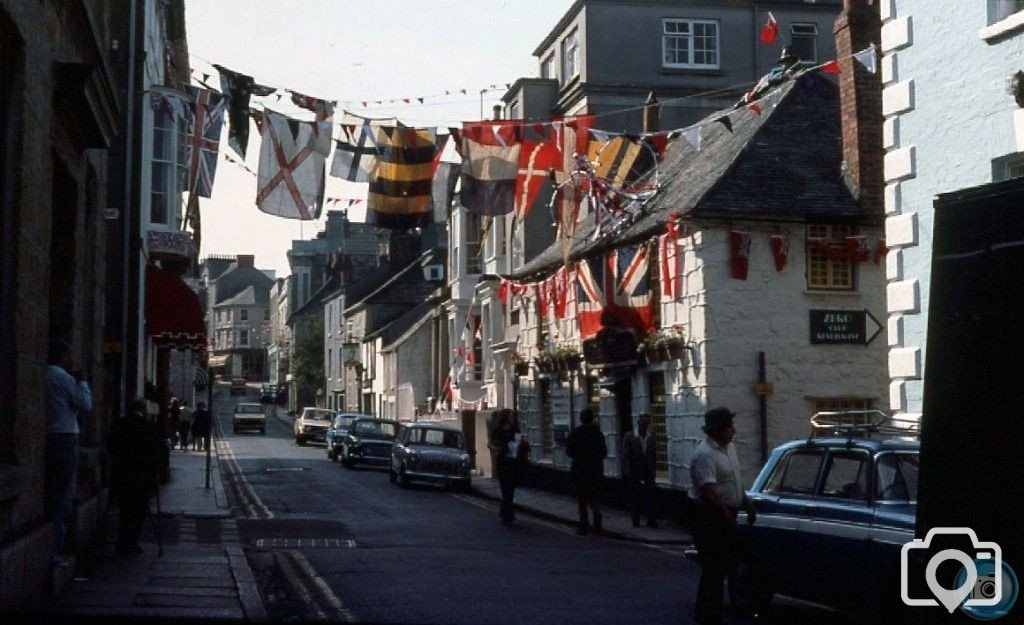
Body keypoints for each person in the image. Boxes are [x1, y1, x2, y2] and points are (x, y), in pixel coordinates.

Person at [687, 406, 757, 625]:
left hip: (726, 512)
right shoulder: (705, 454)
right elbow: (710, 493)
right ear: (717, 430)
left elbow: (733, 481)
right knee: (714, 566)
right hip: (708, 516)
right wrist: (727, 518)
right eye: (729, 427)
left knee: (724, 565)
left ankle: (708, 611)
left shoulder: (729, 449)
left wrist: (747, 503)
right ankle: (708, 615)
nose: (733, 431)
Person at [45, 340, 92, 565]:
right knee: (60, 494)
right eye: (68, 355)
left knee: (56, 492)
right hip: (63, 437)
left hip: (52, 435)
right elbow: (85, 403)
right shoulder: (62, 377)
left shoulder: (46, 374)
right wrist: (82, 382)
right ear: (61, 356)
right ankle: (56, 549)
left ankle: (55, 547)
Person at [108, 398, 164, 555]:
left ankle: (122, 542)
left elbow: (110, 445)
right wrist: (157, 472)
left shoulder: (119, 424)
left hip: (122, 474)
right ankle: (131, 542)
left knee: (125, 510)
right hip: (143, 476)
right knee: (138, 511)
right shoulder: (149, 427)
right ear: (142, 409)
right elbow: (157, 452)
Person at [565, 407, 607, 536]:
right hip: (595, 471)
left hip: (580, 471)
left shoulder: (576, 433)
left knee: (582, 500)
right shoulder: (598, 434)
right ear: (592, 418)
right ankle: (598, 527)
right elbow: (604, 452)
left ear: (581, 418)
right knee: (594, 499)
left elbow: (569, 452)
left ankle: (584, 527)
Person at [489, 409, 529, 524]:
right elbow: (490, 444)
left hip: (514, 461)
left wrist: (521, 444)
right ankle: (509, 514)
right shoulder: (497, 430)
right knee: (505, 488)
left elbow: (519, 440)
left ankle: (505, 512)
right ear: (505, 417)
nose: (513, 418)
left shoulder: (515, 429)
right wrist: (496, 448)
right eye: (511, 416)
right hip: (502, 461)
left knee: (510, 487)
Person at [622, 413, 658, 528]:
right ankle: (635, 520)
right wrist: (627, 469)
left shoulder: (651, 436)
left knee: (650, 496)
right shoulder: (630, 436)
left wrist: (654, 469)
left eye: (647, 423)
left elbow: (653, 454)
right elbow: (625, 454)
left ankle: (651, 519)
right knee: (635, 496)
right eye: (643, 423)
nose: (645, 425)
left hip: (648, 470)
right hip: (634, 470)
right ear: (638, 423)